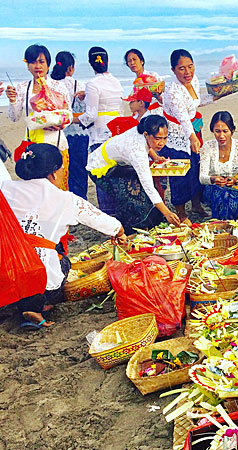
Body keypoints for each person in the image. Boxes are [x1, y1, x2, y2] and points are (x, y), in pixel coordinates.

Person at [0, 143, 124, 330]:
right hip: (38, 277)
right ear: (54, 173)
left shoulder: (6, 189)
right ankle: (36, 306)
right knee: (63, 261)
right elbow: (111, 225)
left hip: (5, 271)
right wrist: (120, 233)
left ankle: (18, 303)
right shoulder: (66, 199)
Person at [86, 115, 180, 232]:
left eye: (165, 138)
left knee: (143, 194)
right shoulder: (137, 151)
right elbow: (148, 187)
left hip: (119, 164)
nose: (162, 143)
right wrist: (167, 213)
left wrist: (155, 157)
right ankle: (128, 230)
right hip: (100, 168)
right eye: (158, 138)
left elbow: (148, 145)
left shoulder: (142, 132)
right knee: (132, 196)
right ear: (146, 134)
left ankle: (151, 224)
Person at [6, 45, 72, 191]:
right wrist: (12, 100)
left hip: (56, 143)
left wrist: (60, 125)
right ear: (28, 66)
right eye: (33, 62)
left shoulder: (58, 86)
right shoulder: (23, 87)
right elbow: (15, 117)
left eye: (41, 61)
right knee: (35, 189)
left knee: (58, 188)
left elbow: (68, 114)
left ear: (48, 65)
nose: (37, 66)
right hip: (33, 144)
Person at [161, 49, 212, 222]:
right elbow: (182, 116)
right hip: (176, 136)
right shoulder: (173, 91)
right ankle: (181, 215)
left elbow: (196, 102)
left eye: (190, 66)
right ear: (173, 70)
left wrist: (219, 94)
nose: (187, 72)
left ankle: (196, 205)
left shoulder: (194, 80)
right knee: (179, 175)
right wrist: (192, 137)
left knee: (196, 169)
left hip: (192, 130)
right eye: (181, 68)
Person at [73, 47, 124, 211]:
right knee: (117, 175)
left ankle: (108, 213)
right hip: (116, 131)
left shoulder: (93, 84)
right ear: (107, 61)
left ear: (90, 63)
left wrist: (72, 119)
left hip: (100, 133)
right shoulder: (116, 82)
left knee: (101, 174)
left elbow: (91, 115)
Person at [200, 111, 238, 220]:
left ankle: (221, 225)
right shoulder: (207, 147)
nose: (221, 136)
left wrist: (235, 181)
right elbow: (202, 178)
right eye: (217, 131)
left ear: (232, 130)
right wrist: (213, 179)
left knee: (228, 199)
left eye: (225, 131)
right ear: (212, 130)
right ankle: (228, 226)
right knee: (223, 196)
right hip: (212, 188)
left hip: (237, 187)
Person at [50, 51, 89, 199]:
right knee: (79, 172)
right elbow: (88, 110)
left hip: (57, 134)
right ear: (71, 68)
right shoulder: (79, 85)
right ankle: (79, 202)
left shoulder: (51, 85)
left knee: (58, 170)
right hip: (79, 134)